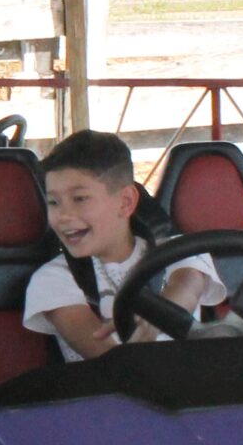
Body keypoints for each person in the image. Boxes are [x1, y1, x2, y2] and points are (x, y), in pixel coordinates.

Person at [23, 129, 226, 362]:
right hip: (109, 394)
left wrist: (159, 316)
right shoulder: (52, 280)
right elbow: (109, 358)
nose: (64, 215)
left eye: (80, 199)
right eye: (53, 202)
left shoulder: (179, 252)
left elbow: (187, 285)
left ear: (125, 202)